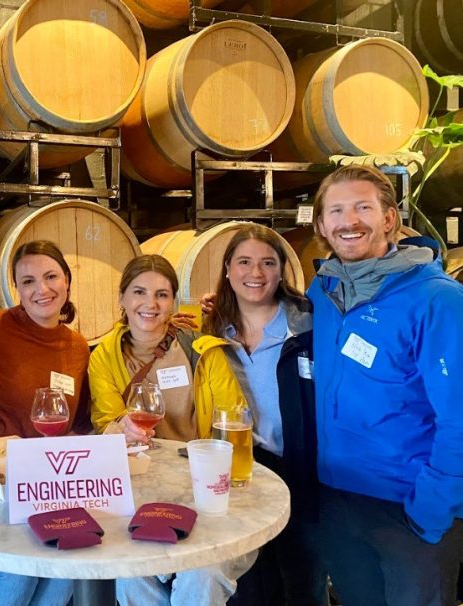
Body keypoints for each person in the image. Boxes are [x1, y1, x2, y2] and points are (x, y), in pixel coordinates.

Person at [307, 164, 463, 606]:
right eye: (336, 210)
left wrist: (431, 508)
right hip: (339, 498)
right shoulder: (324, 290)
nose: (349, 221)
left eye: (363, 207)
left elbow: (460, 416)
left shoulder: (438, 299)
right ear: (321, 225)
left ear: (389, 218)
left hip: (409, 508)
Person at [88, 254, 255, 606]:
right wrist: (121, 429)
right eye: (139, 292)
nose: (150, 304)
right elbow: (106, 421)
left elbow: (232, 416)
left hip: (203, 489)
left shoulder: (201, 350)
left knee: (204, 572)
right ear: (121, 298)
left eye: (162, 295)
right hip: (142, 492)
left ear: (173, 302)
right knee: (130, 574)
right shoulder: (104, 356)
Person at [0, 239, 90, 606]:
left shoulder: (77, 346)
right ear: (16, 287)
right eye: (27, 281)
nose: (41, 289)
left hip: (48, 485)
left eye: (50, 277)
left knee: (66, 572)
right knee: (14, 578)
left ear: (67, 281)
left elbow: (76, 424)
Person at [200, 224, 327, 606]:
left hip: (302, 468)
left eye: (267, 263)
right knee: (250, 585)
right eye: (244, 262)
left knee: (303, 578)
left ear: (281, 271)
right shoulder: (211, 328)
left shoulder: (307, 324)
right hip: (245, 471)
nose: (255, 274)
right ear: (226, 270)